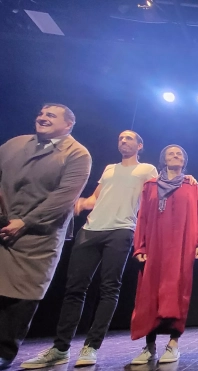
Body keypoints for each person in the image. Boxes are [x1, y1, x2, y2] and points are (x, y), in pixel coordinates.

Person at [20, 130, 196, 369]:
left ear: (140, 146)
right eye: (120, 138)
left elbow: (166, 187)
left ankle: (91, 346)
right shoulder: (109, 169)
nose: (123, 141)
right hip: (91, 229)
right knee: (74, 289)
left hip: (122, 229)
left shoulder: (148, 171)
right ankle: (60, 348)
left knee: (109, 289)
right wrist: (75, 203)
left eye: (129, 138)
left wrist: (189, 179)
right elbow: (94, 198)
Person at [0, 104, 91, 370]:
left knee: (22, 294)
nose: (42, 117)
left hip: (39, 235)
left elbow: (64, 197)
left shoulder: (77, 153)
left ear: (68, 124)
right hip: (4, 224)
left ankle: (4, 350)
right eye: (40, 113)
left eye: (51, 115)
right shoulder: (15, 144)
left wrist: (26, 221)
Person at [129, 145, 198, 365]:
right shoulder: (150, 186)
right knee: (149, 293)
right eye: (171, 153)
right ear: (163, 159)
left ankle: (173, 344)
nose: (175, 155)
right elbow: (142, 216)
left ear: (184, 161)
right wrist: (140, 247)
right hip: (155, 246)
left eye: (180, 153)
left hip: (182, 245)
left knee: (178, 291)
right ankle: (149, 346)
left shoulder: (191, 186)